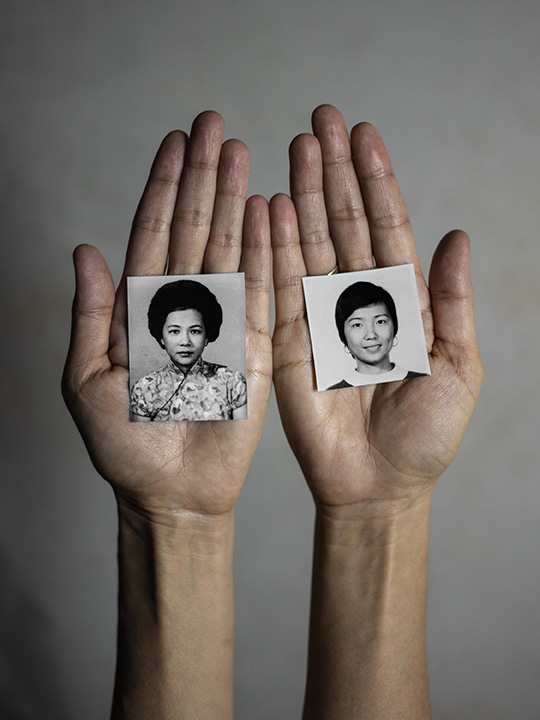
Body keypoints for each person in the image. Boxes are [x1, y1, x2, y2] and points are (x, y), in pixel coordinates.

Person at [62, 105, 483, 719]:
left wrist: (382, 506)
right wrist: (169, 517)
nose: (182, 342)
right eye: (171, 330)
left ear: (211, 336)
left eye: (194, 329)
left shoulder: (223, 374)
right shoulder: (165, 391)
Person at [130, 278, 247, 421]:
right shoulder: (144, 388)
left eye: (195, 331)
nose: (185, 342)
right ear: (161, 337)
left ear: (206, 337)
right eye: (174, 331)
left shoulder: (232, 382)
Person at [327, 279, 425, 388]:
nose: (371, 335)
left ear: (394, 328)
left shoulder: (422, 381)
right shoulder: (333, 392)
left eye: (380, 322)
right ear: (343, 336)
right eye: (357, 325)